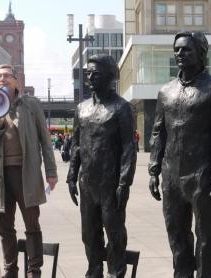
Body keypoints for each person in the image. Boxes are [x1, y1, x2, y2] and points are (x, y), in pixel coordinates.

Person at [148, 31, 211, 277]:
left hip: (202, 174)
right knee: (176, 233)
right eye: (177, 49)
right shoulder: (166, 91)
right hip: (171, 176)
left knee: (207, 236)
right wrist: (154, 170)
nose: (179, 54)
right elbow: (158, 133)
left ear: (201, 53)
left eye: (186, 49)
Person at [0, 64, 58, 278]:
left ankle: (34, 270)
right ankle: (10, 270)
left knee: (32, 223)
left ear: (16, 82)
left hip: (26, 173)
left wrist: (51, 171)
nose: (2, 80)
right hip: (0, 176)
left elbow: (45, 140)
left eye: (6, 76)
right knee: (5, 227)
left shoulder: (30, 104)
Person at [67, 54, 137, 278]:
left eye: (95, 73)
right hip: (87, 183)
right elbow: (76, 145)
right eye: (87, 73)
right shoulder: (82, 109)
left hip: (111, 183)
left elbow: (129, 148)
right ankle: (93, 272)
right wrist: (71, 175)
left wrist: (124, 183)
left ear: (110, 76)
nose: (90, 77)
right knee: (89, 234)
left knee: (115, 235)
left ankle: (116, 273)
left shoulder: (122, 108)